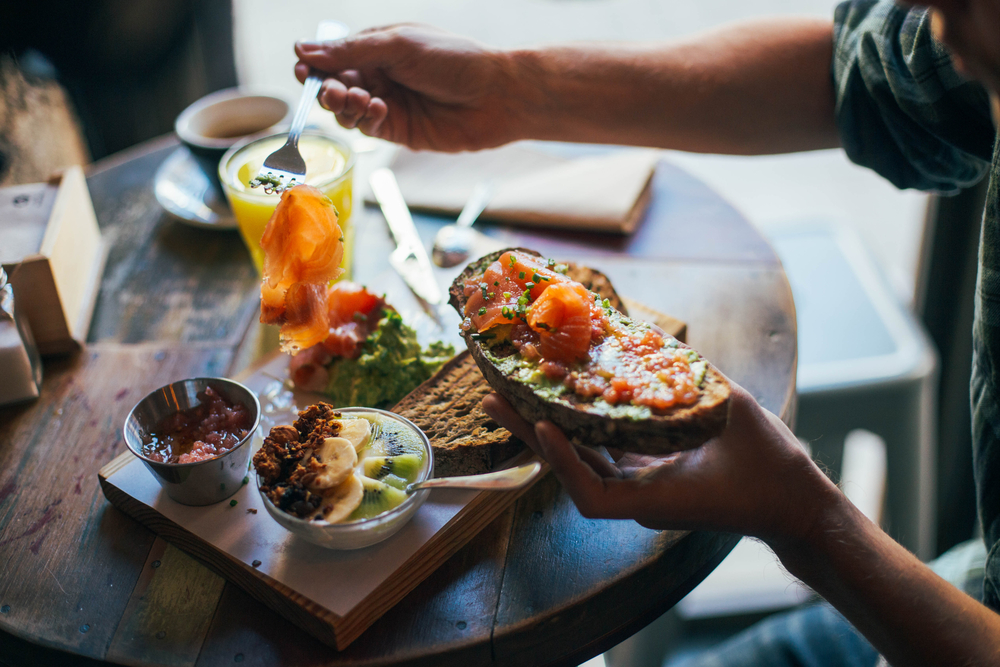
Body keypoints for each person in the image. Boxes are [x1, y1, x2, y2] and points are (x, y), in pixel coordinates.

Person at [294, 1, 1000, 664]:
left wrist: (808, 522)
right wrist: (511, 91)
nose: (920, 11)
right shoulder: (968, 28)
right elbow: (858, 78)